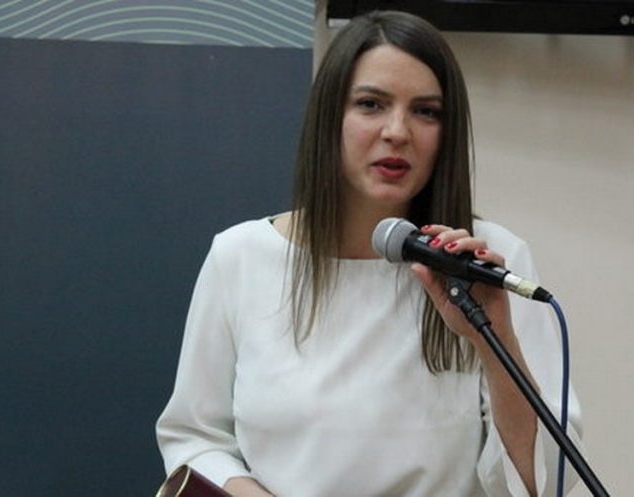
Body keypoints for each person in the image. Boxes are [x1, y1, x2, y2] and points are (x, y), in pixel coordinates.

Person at [156, 10, 581, 497]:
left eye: (426, 111)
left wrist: (494, 336)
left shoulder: (489, 262)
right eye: (371, 104)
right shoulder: (241, 257)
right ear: (330, 117)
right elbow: (195, 437)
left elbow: (542, 482)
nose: (397, 131)